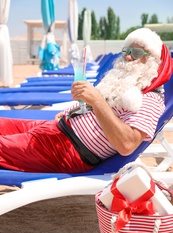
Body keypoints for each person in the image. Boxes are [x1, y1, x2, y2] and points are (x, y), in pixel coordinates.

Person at [0, 28, 173, 173]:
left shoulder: (150, 99)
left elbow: (126, 144)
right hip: (57, 129)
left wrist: (97, 101)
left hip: (68, 149)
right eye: (126, 52)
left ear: (153, 61)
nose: (128, 57)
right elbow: (98, 111)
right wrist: (72, 113)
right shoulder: (126, 83)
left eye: (135, 53)